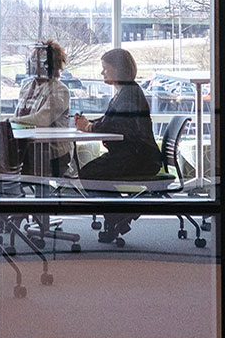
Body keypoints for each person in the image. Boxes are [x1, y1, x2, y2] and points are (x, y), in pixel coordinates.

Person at [74, 48, 163, 242]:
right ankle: (118, 216)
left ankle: (118, 214)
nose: (102, 73)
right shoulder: (126, 91)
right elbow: (110, 120)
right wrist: (89, 124)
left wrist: (89, 127)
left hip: (139, 157)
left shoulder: (128, 94)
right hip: (133, 154)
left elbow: (113, 124)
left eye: (106, 68)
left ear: (118, 69)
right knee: (92, 173)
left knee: (89, 174)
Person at [11, 40, 71, 177]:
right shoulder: (26, 87)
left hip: (52, 153)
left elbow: (41, 119)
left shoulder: (60, 90)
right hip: (27, 148)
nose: (29, 63)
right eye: (30, 59)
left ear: (47, 64)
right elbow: (18, 119)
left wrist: (10, 122)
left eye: (34, 60)